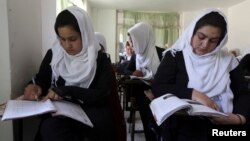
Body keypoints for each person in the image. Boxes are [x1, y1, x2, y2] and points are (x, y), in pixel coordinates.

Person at [152, 9, 250, 141]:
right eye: (201, 37)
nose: (205, 45)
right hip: (183, 126)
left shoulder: (228, 61)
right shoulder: (175, 56)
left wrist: (239, 118)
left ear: (220, 42)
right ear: (192, 31)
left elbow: (243, 93)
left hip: (224, 126)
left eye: (213, 41)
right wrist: (194, 94)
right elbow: (159, 87)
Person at [23, 6, 119, 141]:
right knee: (50, 129)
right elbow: (42, 80)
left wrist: (66, 91)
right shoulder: (54, 55)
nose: (66, 45)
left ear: (85, 34)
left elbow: (102, 94)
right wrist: (35, 87)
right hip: (60, 117)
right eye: (62, 39)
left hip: (91, 119)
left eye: (72, 39)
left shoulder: (100, 60)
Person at [124, 22, 164, 141]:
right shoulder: (136, 56)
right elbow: (125, 69)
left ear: (142, 39)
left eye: (133, 41)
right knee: (148, 121)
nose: (131, 45)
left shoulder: (161, 53)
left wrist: (156, 81)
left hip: (160, 93)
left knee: (161, 122)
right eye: (130, 42)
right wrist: (133, 73)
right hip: (143, 94)